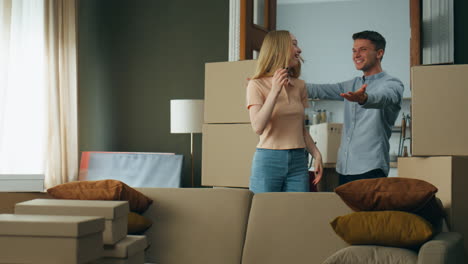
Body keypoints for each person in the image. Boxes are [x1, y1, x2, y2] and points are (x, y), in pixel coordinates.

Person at [306, 30, 404, 186]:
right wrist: (277, 80)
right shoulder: (351, 85)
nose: (356, 55)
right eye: (354, 50)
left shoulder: (393, 84)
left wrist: (365, 98)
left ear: (379, 53)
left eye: (363, 49)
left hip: (371, 169)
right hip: (344, 169)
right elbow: (317, 90)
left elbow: (384, 97)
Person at [246, 30, 323, 194]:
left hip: (298, 160)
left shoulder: (300, 86)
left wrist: (316, 154)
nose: (299, 50)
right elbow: (258, 127)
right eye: (294, 44)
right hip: (268, 160)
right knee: (264, 213)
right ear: (279, 49)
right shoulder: (256, 85)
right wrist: (274, 91)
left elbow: (301, 130)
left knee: (296, 214)